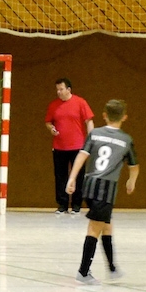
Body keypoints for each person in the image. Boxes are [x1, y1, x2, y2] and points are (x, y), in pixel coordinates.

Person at [67, 99, 139, 285]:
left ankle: (112, 268)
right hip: (105, 189)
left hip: (89, 185)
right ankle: (83, 272)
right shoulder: (126, 140)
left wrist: (72, 178)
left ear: (104, 116)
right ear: (124, 117)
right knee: (95, 228)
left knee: (106, 225)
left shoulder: (95, 134)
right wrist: (131, 181)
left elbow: (82, 155)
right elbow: (134, 166)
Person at [45, 78, 94, 215]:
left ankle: (77, 204)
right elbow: (48, 122)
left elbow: (89, 121)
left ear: (68, 89)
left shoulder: (80, 102)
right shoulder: (53, 105)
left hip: (78, 146)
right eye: (57, 90)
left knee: (78, 175)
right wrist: (51, 128)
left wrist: (91, 140)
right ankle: (62, 204)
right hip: (59, 146)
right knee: (60, 176)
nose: (59, 92)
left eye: (61, 89)